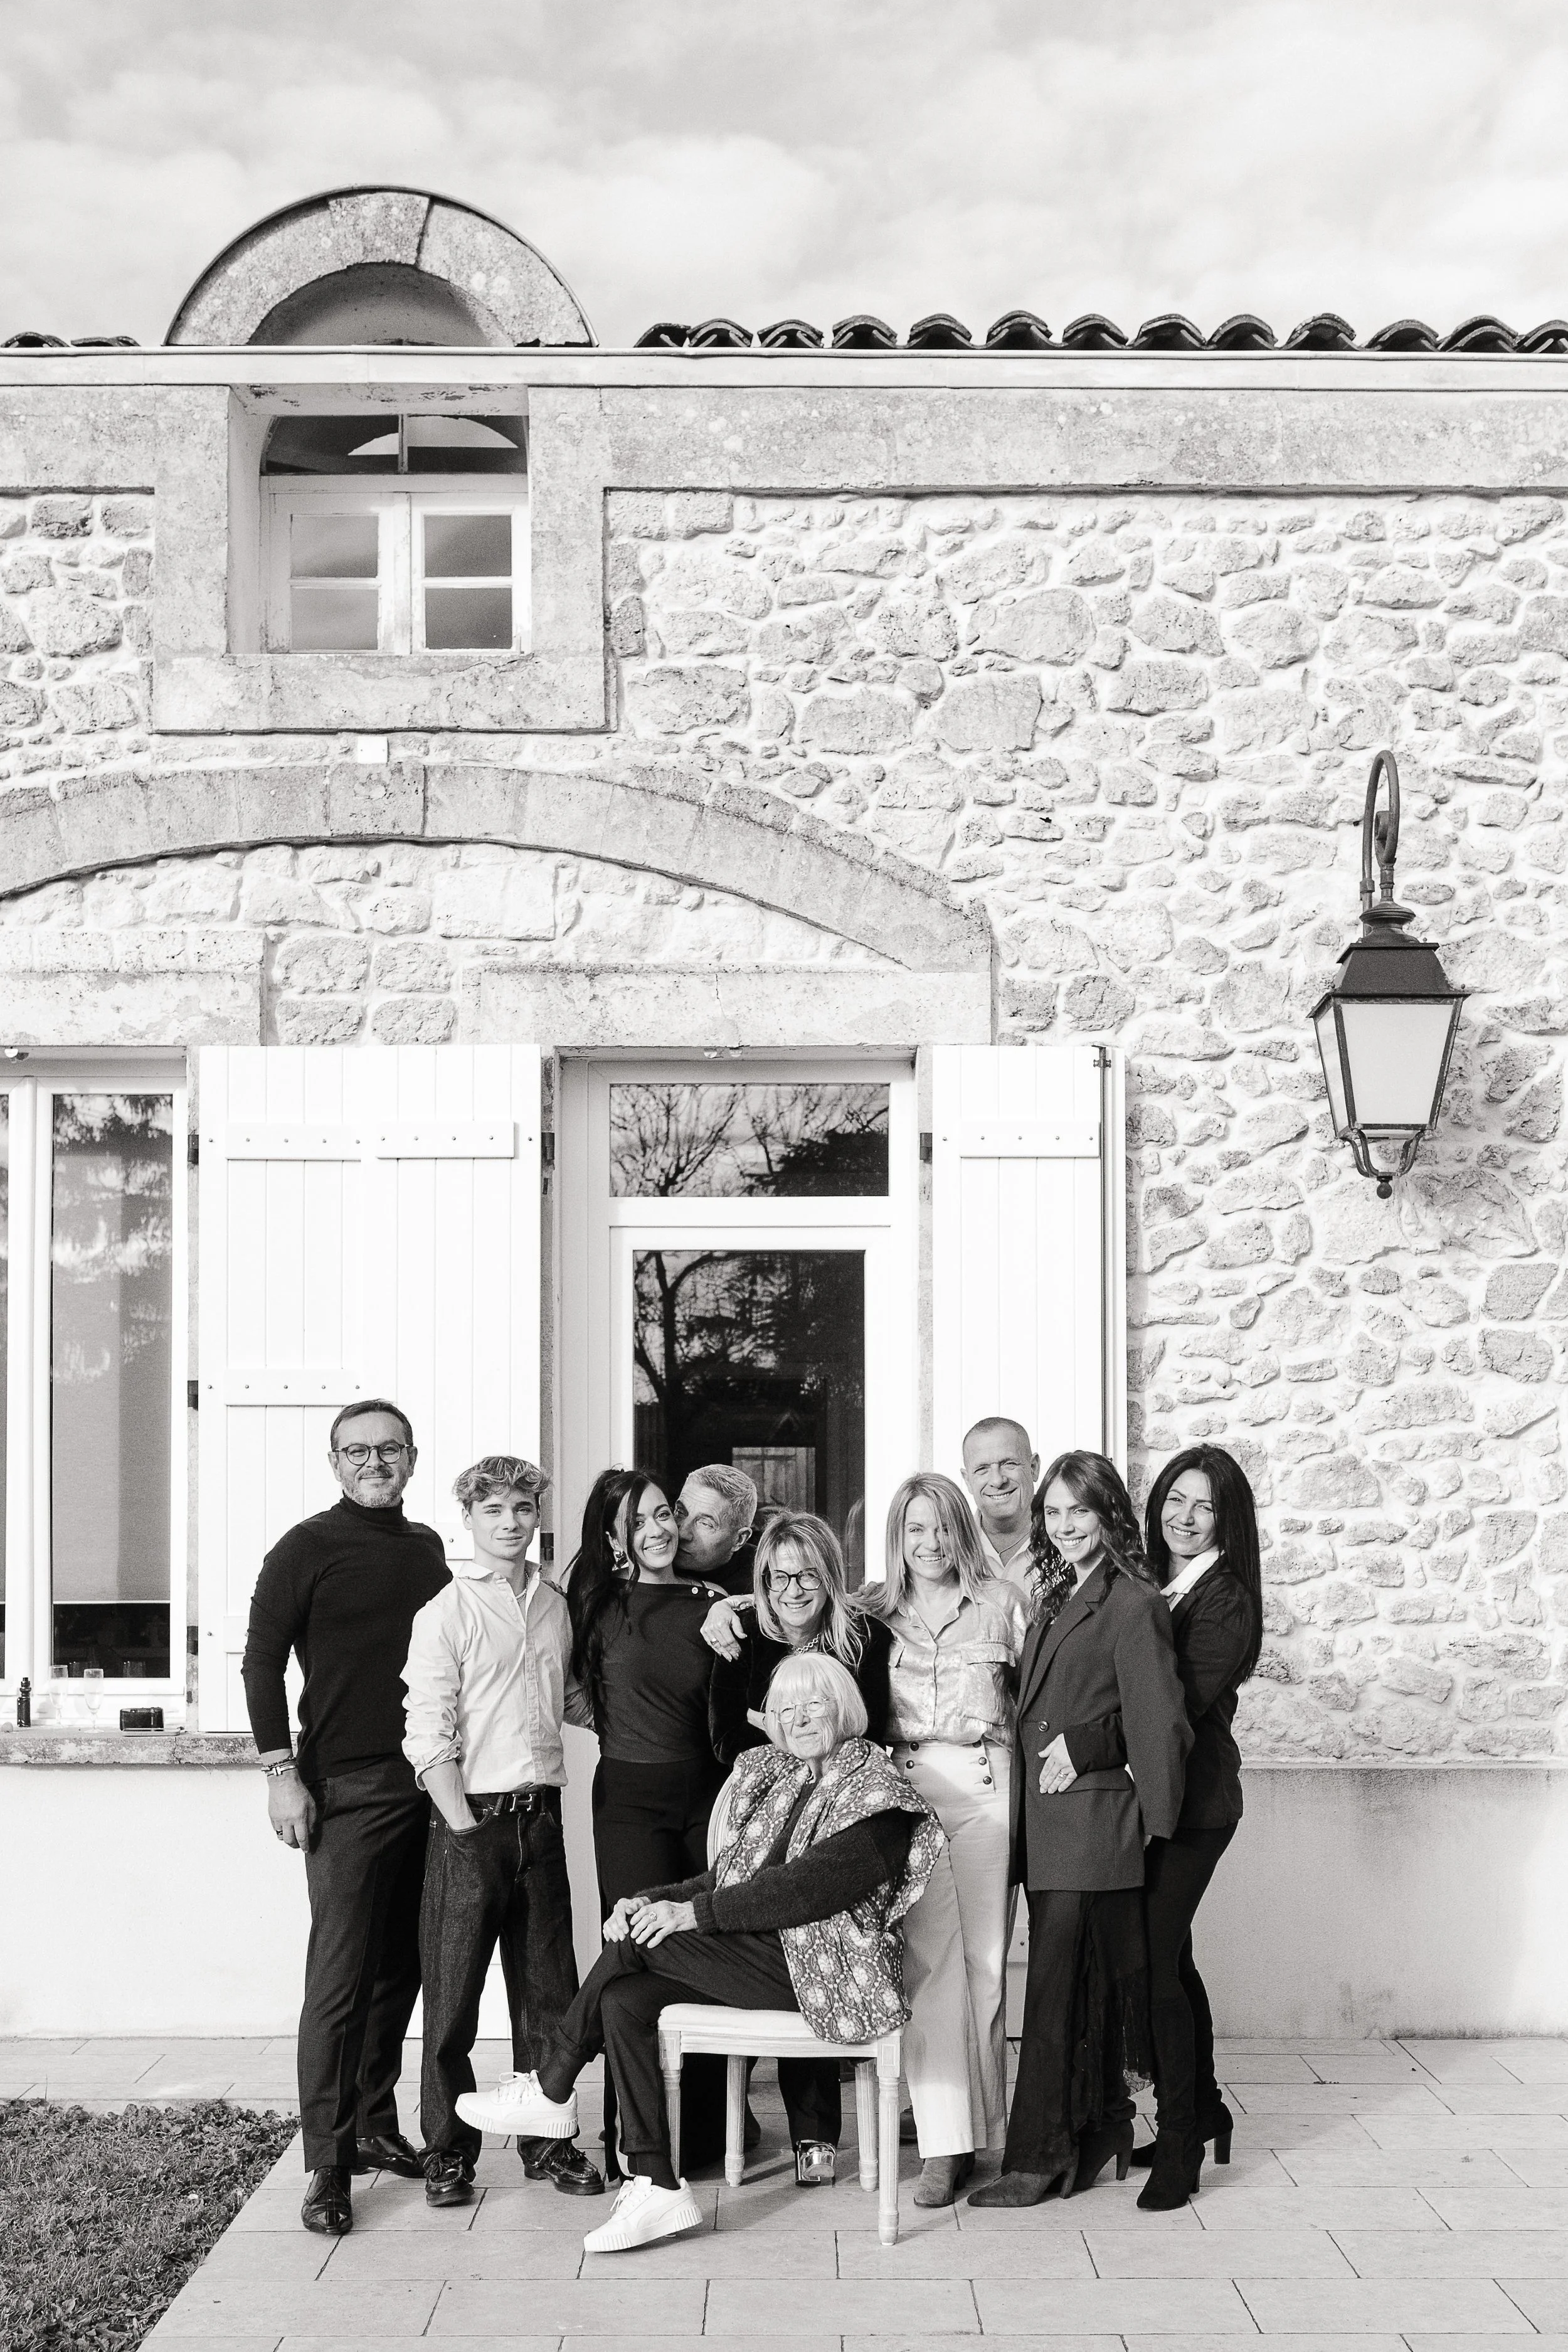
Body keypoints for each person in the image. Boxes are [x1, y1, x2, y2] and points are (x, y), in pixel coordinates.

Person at [454, 1653, 943, 2254]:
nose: (798, 1719)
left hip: (836, 1971)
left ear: (842, 1705)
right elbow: (727, 1877)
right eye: (784, 1709)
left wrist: (689, 1917)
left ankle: (553, 2084)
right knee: (628, 2000)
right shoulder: (789, 1782)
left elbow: (806, 1888)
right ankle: (656, 2181)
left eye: (812, 1703)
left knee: (643, 1944)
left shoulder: (876, 1787)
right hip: (775, 1957)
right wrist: (646, 1900)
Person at [241, 1398, 449, 2237]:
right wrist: (279, 1773)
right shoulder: (305, 1548)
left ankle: (373, 2119)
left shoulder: (426, 1547)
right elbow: (259, 1663)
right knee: (337, 1978)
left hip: (427, 1783)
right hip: (346, 1788)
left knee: (401, 1964)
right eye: (357, 1450)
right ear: (334, 1461)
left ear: (412, 1456)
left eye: (389, 1448)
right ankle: (327, 2166)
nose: (375, 1461)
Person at [970, 1450, 1190, 2211]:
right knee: (1081, 1993)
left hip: (1097, 1831)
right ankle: (1100, 2128)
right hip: (1054, 1827)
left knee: (1055, 1999)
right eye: (1054, 1513)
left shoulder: (1131, 1602)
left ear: (1108, 1515)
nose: (1064, 1526)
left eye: (1079, 1512)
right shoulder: (1064, 1592)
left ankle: (1035, 2159)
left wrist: (1158, 1837)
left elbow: (1159, 1723)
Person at [401, 1455, 603, 2208]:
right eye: (495, 1512)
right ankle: (447, 2154)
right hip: (468, 1822)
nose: (511, 1524)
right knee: (451, 2001)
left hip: (540, 1822)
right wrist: (462, 1827)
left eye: (522, 1509)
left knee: (548, 1995)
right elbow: (427, 1732)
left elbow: (573, 1698)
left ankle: (548, 2142)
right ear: (471, 1519)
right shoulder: (445, 1613)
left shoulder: (554, 1606)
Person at [704, 1510, 895, 2185]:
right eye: (778, 1576)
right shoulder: (740, 1638)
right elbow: (727, 1739)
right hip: (759, 1817)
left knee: (816, 1940)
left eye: (807, 1574)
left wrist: (774, 1724)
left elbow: (870, 1730)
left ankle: (815, 2135)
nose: (792, 1589)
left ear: (829, 1577)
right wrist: (800, 1734)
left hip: (838, 1811)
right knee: (763, 1940)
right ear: (761, 1579)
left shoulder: (862, 1639)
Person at [869, 1473, 1030, 2206]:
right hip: (907, 1789)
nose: (929, 1544)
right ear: (898, 1539)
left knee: (987, 1966)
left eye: (941, 1528)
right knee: (931, 1970)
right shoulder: (874, 1611)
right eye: (914, 1530)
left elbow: (1040, 1699)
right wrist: (725, 1610)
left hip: (983, 1787)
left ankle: (986, 2135)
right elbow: (790, 1609)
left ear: (960, 1532)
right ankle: (943, 2146)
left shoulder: (1003, 1605)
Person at [565, 1467, 730, 2175]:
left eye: (665, 1514)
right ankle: (627, 2134)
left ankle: (706, 2131)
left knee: (703, 1950)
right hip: (630, 1798)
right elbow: (567, 1693)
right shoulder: (593, 1604)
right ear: (613, 1536)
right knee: (636, 1946)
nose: (659, 1530)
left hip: (710, 1796)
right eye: (638, 1522)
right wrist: (620, 1726)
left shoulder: (713, 1601)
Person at [1123, 1446, 1262, 2208]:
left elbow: (1173, 1706)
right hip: (1154, 1803)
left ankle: (1180, 2139)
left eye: (1202, 1506)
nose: (1183, 1516)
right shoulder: (1161, 1584)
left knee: (1151, 1962)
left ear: (1226, 1520)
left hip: (1197, 1807)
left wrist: (1085, 1741)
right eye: (1175, 1499)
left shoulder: (1225, 1599)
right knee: (1170, 1961)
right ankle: (1203, 2106)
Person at [961, 1417, 1040, 1593]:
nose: (997, 1481)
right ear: (967, 1481)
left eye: (1009, 1464)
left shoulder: (1070, 1539)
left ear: (1034, 1467)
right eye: (982, 1469)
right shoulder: (953, 1546)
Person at [673, 1463, 759, 1597]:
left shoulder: (767, 1583)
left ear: (739, 1539)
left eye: (705, 1524)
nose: (682, 1533)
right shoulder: (653, 1555)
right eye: (680, 1512)